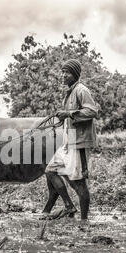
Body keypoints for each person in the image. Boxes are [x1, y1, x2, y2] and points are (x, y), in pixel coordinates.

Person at [43, 59, 99, 221]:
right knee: (50, 171)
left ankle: (84, 221)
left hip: (80, 143)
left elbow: (92, 111)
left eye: (66, 72)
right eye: (62, 72)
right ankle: (69, 206)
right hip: (69, 142)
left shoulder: (82, 90)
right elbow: (72, 115)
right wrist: (62, 117)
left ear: (75, 74)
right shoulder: (69, 93)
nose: (63, 75)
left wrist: (68, 114)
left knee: (80, 183)